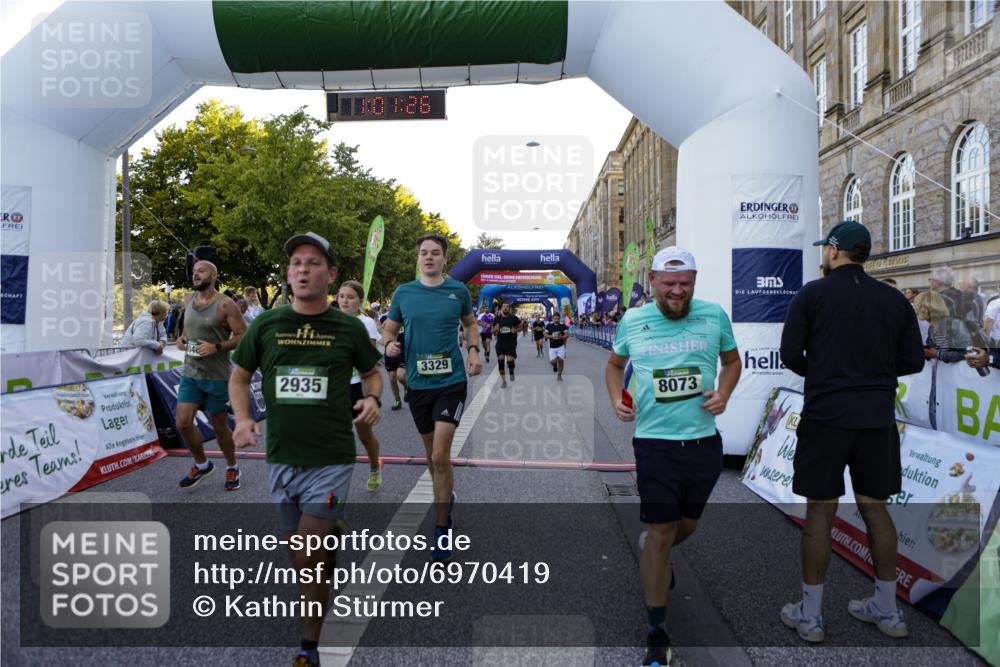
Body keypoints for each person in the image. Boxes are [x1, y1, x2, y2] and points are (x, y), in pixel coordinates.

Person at [230, 232, 382, 667]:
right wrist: (242, 419)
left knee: (308, 553)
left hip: (331, 456)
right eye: (296, 262)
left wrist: (371, 399)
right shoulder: (266, 324)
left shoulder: (349, 327)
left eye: (313, 262)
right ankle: (330, 532)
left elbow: (373, 374)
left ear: (330, 275)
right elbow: (239, 377)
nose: (302, 269)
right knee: (303, 551)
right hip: (281, 456)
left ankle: (308, 645)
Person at [779, 221, 924, 643]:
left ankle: (811, 614)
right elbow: (913, 361)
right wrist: (872, 375)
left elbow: (791, 354)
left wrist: (824, 374)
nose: (825, 253)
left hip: (827, 415)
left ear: (836, 251)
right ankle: (887, 608)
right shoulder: (894, 299)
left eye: (827, 247)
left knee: (820, 510)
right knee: (875, 508)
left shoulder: (812, 293)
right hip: (876, 417)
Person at [606, 246, 741, 667]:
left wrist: (724, 392)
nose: (677, 292)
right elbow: (614, 366)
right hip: (654, 443)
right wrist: (616, 398)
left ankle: (655, 550)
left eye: (685, 284)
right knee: (662, 533)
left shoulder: (714, 315)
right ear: (653, 281)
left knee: (687, 525)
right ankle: (657, 631)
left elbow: (733, 362)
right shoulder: (634, 320)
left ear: (695, 282)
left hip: (703, 443)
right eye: (669, 284)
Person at [382, 234, 482, 561]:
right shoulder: (403, 293)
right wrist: (389, 344)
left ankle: (441, 528)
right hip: (418, 385)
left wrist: (472, 352)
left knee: (440, 455)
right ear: (418, 258)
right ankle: (444, 494)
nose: (428, 257)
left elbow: (470, 324)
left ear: (443, 258)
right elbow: (389, 330)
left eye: (435, 253)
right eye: (423, 252)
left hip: (451, 381)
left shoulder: (457, 291)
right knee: (430, 455)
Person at [175, 260, 247, 491]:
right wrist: (182, 339)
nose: (196, 275)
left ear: (214, 276)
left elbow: (242, 335)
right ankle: (202, 464)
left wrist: (216, 347)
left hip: (217, 377)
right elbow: (188, 329)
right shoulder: (189, 300)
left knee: (219, 428)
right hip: (191, 373)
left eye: (201, 271)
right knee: (183, 423)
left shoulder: (225, 305)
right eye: (194, 272)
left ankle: (232, 466)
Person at [338, 280, 385, 492]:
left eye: (350, 297)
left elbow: (371, 360)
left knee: (365, 435)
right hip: (334, 389)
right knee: (336, 439)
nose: (345, 301)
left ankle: (375, 467)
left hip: (358, 387)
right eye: (341, 296)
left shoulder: (366, 323)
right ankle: (333, 490)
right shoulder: (330, 321)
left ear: (359, 301)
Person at [914, 291, 973, 363]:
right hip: (947, 373)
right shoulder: (932, 328)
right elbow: (932, 352)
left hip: (962, 372)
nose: (915, 309)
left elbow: (967, 353)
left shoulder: (955, 324)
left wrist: (938, 354)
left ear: (925, 308)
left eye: (917, 306)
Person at [492, 302, 521, 388]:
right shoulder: (497, 319)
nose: (505, 308)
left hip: (511, 343)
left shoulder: (514, 318)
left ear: (509, 309)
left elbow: (520, 327)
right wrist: (495, 330)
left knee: (510, 363)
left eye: (507, 307)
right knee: (501, 364)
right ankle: (504, 381)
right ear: (501, 309)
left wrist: (515, 330)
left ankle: (511, 370)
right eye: (504, 307)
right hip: (500, 344)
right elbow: (492, 331)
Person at [544, 311, 570, 381]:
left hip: (560, 346)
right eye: (555, 319)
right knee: (553, 362)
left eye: (558, 319)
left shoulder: (562, 326)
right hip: (552, 347)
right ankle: (555, 365)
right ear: (553, 319)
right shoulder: (549, 326)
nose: (556, 320)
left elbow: (567, 335)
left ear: (559, 319)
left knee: (561, 361)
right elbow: (545, 335)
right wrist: (551, 336)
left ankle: (559, 375)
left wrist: (561, 337)